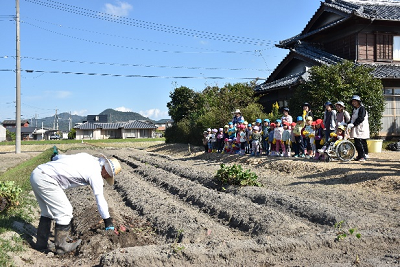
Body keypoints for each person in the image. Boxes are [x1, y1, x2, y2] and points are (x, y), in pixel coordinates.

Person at [30, 153, 121, 254]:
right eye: (107, 176)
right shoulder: (95, 174)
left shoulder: (87, 157)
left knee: (47, 212)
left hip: (37, 173)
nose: (105, 177)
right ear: (106, 171)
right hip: (47, 179)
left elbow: (58, 157)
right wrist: (108, 221)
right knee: (65, 211)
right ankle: (61, 247)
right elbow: (99, 198)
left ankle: (41, 244)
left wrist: (55, 160)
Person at [347, 95, 370, 161]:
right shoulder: (354, 109)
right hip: (356, 127)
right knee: (358, 141)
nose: (354, 103)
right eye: (353, 101)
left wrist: (353, 124)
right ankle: (360, 155)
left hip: (361, 127)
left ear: (358, 102)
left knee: (360, 141)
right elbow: (352, 118)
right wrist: (348, 123)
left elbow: (361, 118)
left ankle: (363, 156)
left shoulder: (362, 108)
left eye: (355, 101)